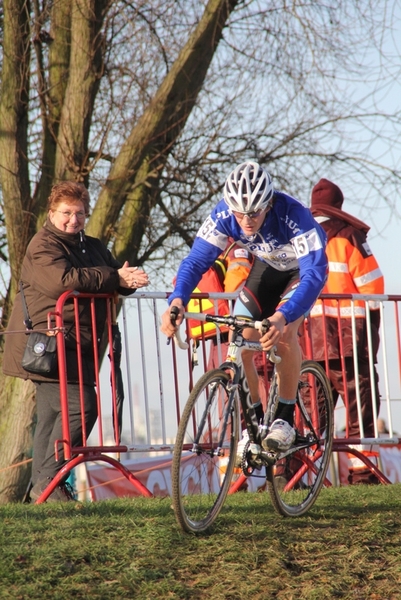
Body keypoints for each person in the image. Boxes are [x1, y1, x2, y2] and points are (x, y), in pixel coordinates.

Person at [161, 161, 328, 453]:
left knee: (285, 333)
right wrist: (177, 300)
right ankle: (256, 424)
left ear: (268, 203)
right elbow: (196, 261)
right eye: (240, 213)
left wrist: (282, 316)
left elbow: (314, 275)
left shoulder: (294, 215)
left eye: (254, 213)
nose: (246, 220)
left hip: (302, 273)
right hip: (268, 267)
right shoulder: (224, 214)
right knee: (239, 337)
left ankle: (285, 420)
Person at [3, 181, 149, 502]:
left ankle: (43, 492)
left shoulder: (93, 246)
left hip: (75, 348)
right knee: (82, 407)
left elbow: (111, 275)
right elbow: (62, 282)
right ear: (52, 213)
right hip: (47, 347)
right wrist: (114, 278)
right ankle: (50, 484)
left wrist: (127, 281)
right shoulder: (42, 245)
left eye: (80, 213)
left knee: (51, 419)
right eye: (66, 213)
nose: (73, 220)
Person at [307, 178, 384, 484]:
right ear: (338, 206)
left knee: (310, 418)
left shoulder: (297, 238)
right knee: (359, 413)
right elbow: (374, 288)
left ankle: (298, 476)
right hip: (349, 343)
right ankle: (363, 474)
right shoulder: (349, 236)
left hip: (308, 345)